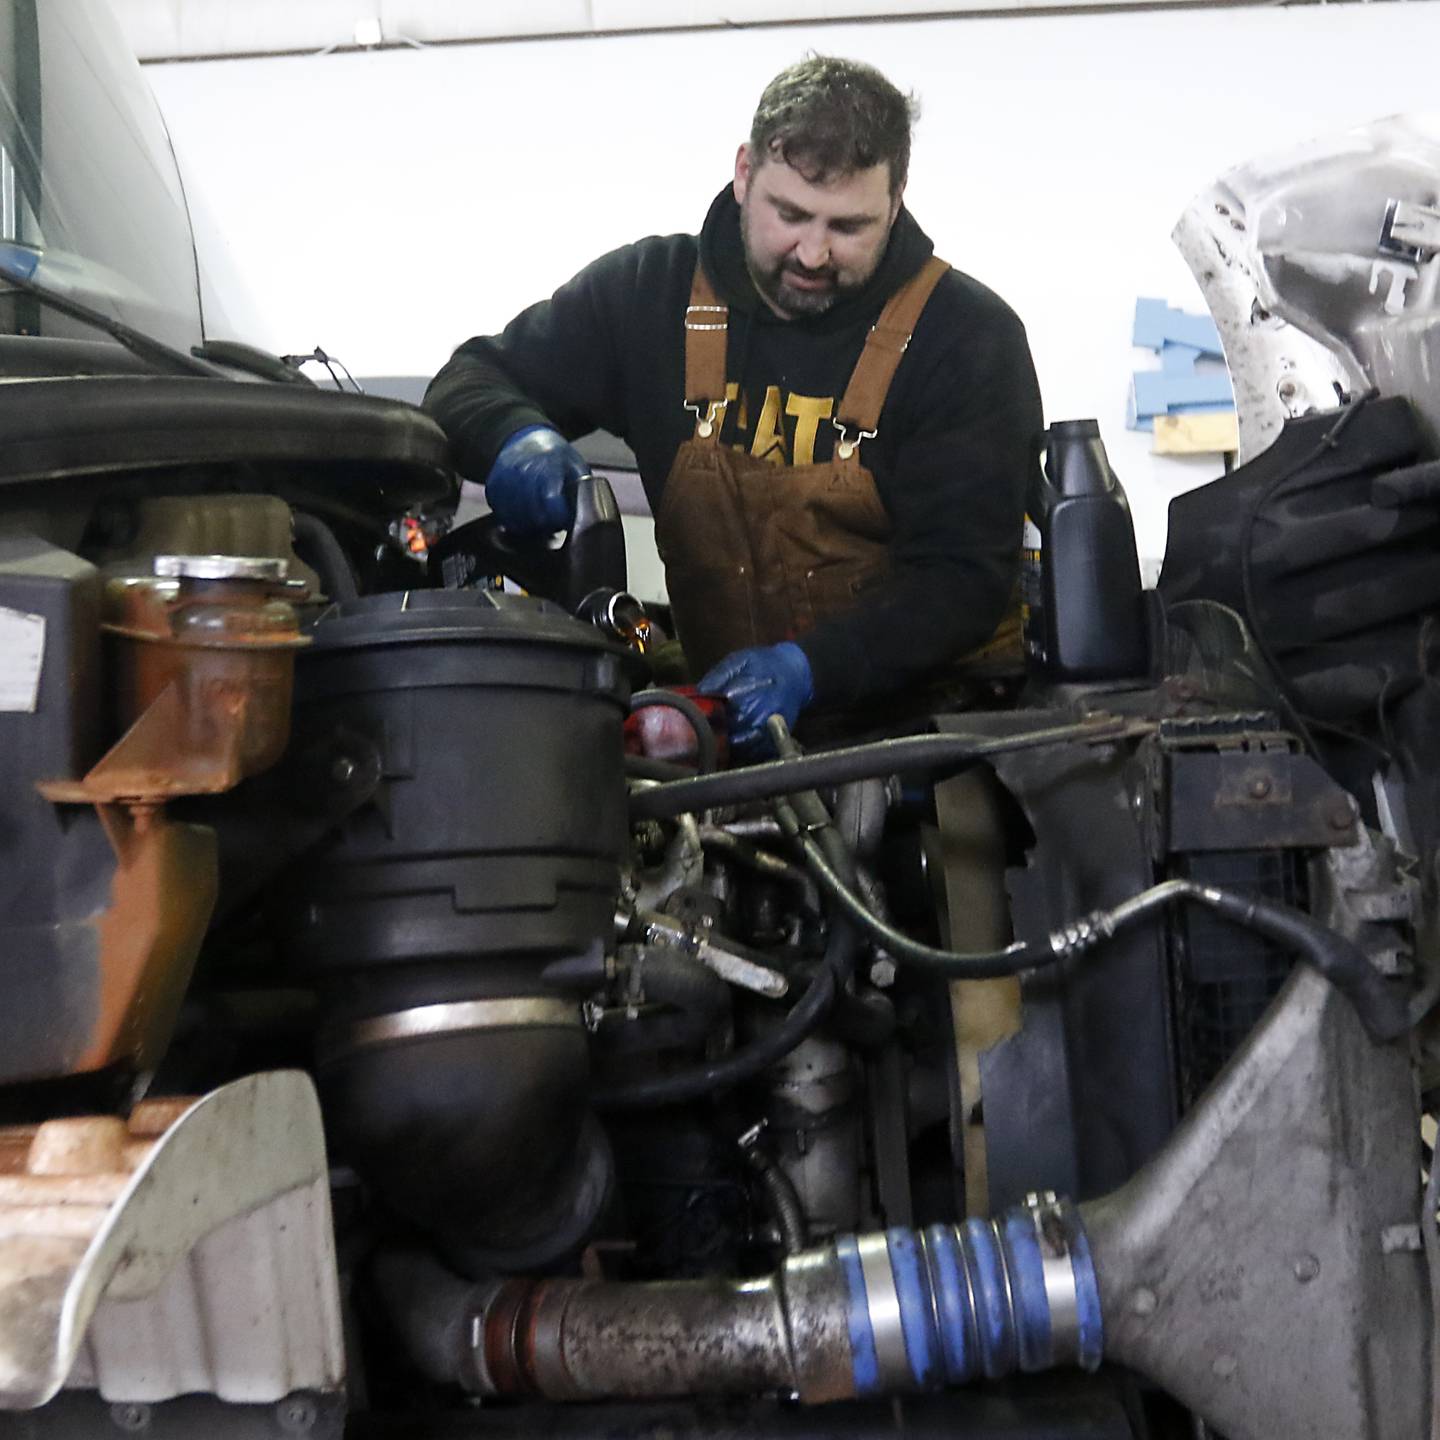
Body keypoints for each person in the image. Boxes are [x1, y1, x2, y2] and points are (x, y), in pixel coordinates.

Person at [425, 55, 1042, 753]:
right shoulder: (648, 294)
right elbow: (468, 379)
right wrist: (516, 438)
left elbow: (964, 581)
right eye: (791, 214)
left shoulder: (965, 338)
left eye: (849, 226)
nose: (812, 253)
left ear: (896, 200)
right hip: (719, 729)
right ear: (745, 174)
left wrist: (810, 668)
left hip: (920, 741)